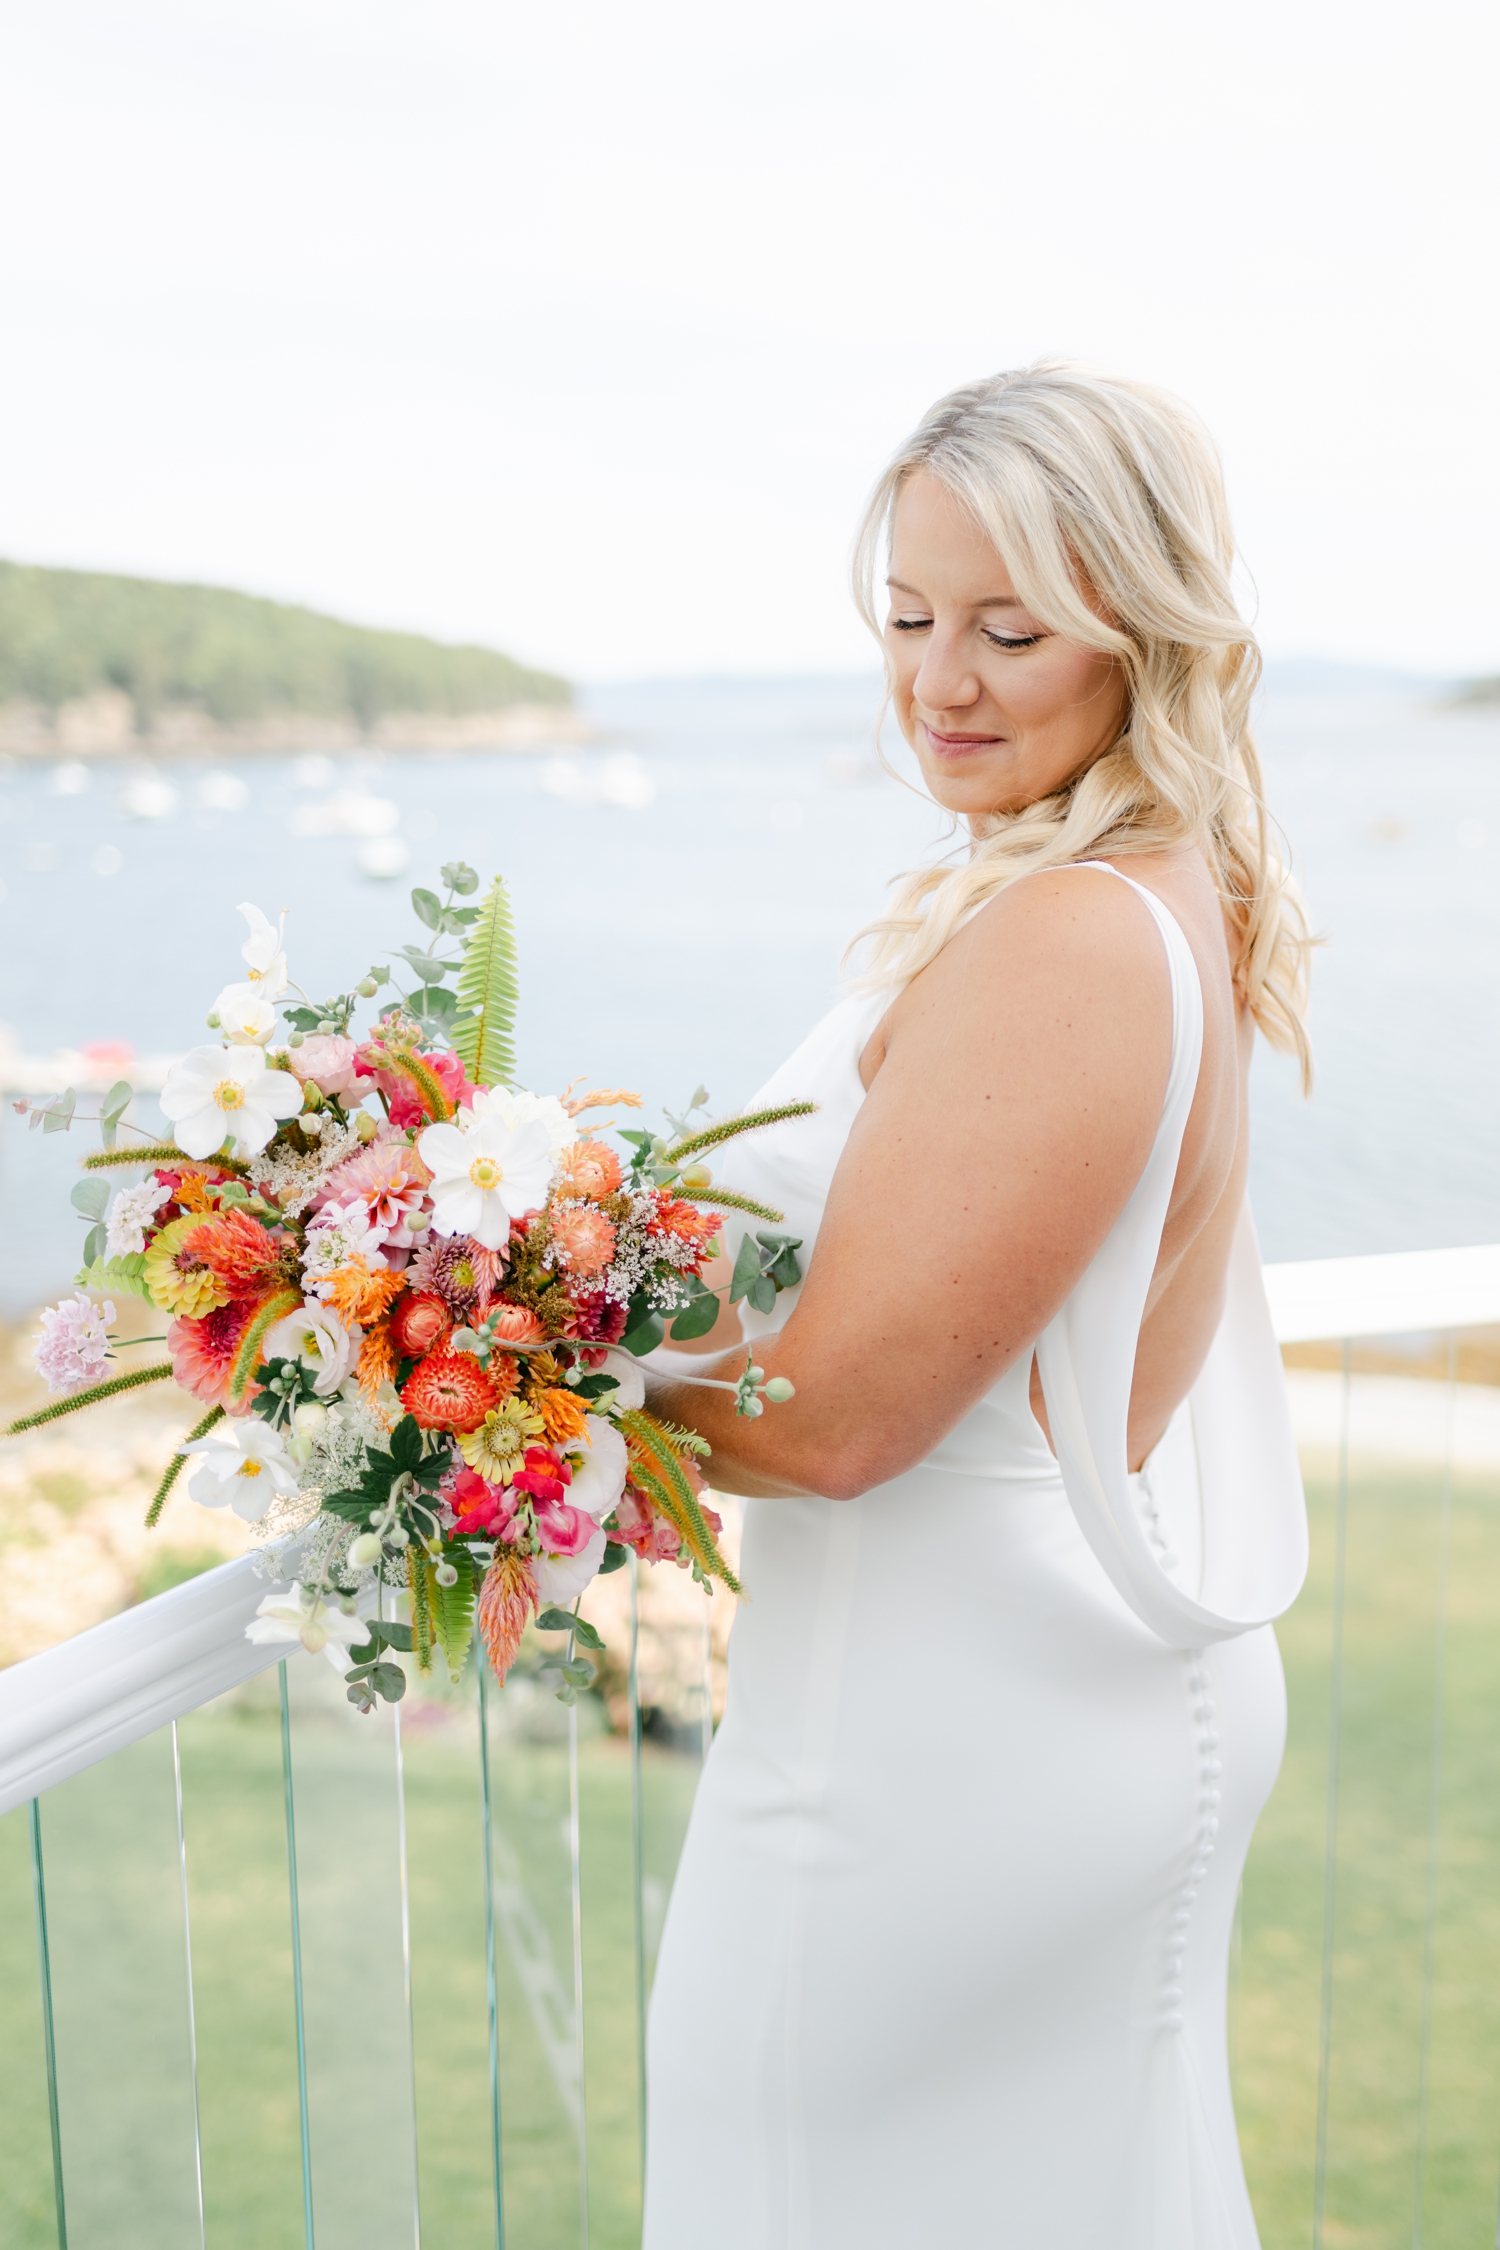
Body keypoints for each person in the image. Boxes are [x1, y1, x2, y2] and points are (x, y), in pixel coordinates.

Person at [641, 361, 1311, 2249]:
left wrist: (490, 1393)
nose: (939, 680)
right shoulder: (1165, 884)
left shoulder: (1074, 933)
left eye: (1010, 628)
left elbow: (833, 1418)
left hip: (926, 1738)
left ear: (1146, 633)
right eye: (911, 616)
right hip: (1059, 1683)